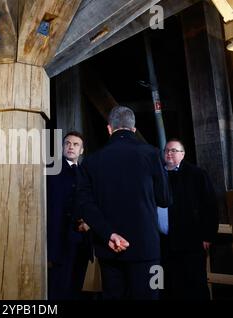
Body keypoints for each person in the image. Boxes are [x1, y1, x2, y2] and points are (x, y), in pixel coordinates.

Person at [74, 106, 171, 300]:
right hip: (146, 249)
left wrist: (108, 233)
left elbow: (84, 204)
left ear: (109, 128)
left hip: (109, 249)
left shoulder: (91, 161)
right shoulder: (152, 154)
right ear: (133, 129)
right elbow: (164, 198)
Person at [158, 139, 219, 300]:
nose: (169, 153)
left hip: (190, 242)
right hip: (162, 243)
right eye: (167, 151)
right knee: (161, 285)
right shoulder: (157, 174)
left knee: (194, 285)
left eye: (174, 150)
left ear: (183, 154)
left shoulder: (197, 174)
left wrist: (208, 235)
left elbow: (210, 206)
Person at [47, 131, 92, 300]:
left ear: (81, 151)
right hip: (60, 240)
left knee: (76, 288)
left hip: (82, 240)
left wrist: (89, 222)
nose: (71, 147)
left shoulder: (85, 174)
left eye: (75, 144)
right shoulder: (51, 172)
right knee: (59, 288)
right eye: (67, 143)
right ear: (62, 147)